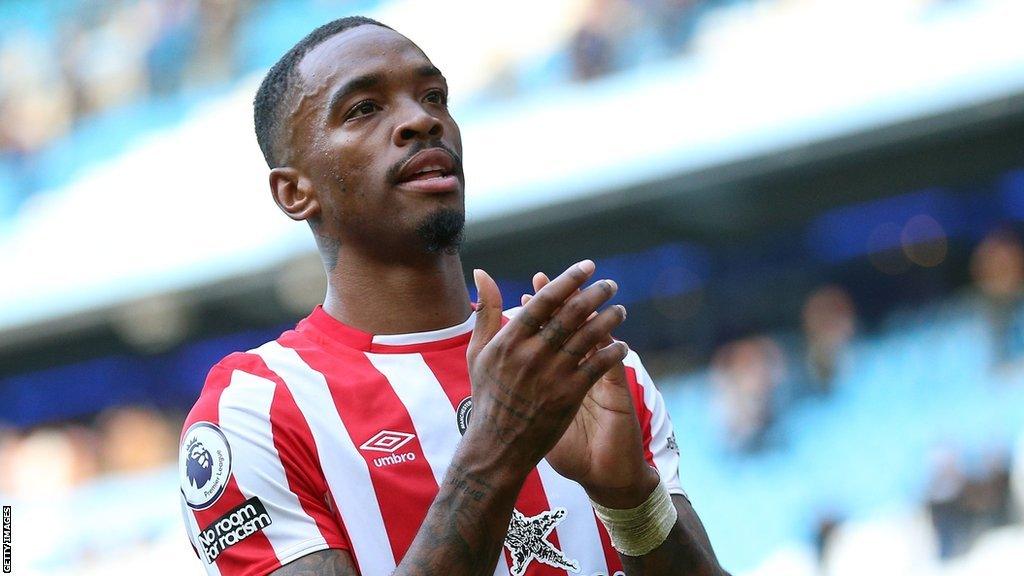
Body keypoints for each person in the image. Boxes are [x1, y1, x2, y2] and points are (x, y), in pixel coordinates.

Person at [177, 16, 727, 576]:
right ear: (295, 192)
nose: (421, 120)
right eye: (364, 108)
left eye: (434, 96)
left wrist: (632, 503)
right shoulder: (256, 411)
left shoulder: (585, 364)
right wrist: (497, 446)